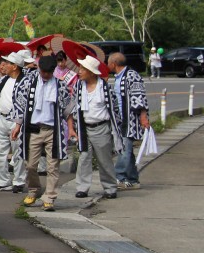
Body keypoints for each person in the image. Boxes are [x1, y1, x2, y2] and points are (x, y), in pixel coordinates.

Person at [10, 55, 75, 212]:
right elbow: (20, 106)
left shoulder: (60, 85)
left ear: (53, 71)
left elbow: (68, 110)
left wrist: (71, 128)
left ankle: (50, 197)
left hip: (53, 130)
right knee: (30, 165)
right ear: (39, 69)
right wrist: (17, 125)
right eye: (43, 72)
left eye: (49, 72)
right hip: (34, 129)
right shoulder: (29, 83)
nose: (45, 75)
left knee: (53, 166)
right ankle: (34, 189)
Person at [72, 56, 120, 200]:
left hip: (101, 127)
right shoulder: (79, 87)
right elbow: (74, 106)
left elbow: (114, 108)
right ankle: (82, 187)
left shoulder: (104, 88)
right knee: (84, 158)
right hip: (84, 127)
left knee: (104, 159)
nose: (79, 72)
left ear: (91, 72)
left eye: (83, 69)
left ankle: (110, 187)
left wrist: (115, 130)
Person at [0, 52, 27, 194]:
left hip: (16, 120)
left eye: (8, 63)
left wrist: (19, 122)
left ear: (15, 66)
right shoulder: (4, 80)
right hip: (0, 117)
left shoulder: (24, 81)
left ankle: (19, 181)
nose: (5, 66)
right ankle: (2, 181)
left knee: (18, 152)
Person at [109, 52, 151, 190]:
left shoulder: (131, 75)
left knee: (124, 149)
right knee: (127, 150)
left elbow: (140, 96)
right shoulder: (118, 77)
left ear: (114, 64)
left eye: (109, 62)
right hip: (122, 120)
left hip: (131, 119)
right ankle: (133, 179)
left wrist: (143, 116)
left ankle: (120, 176)